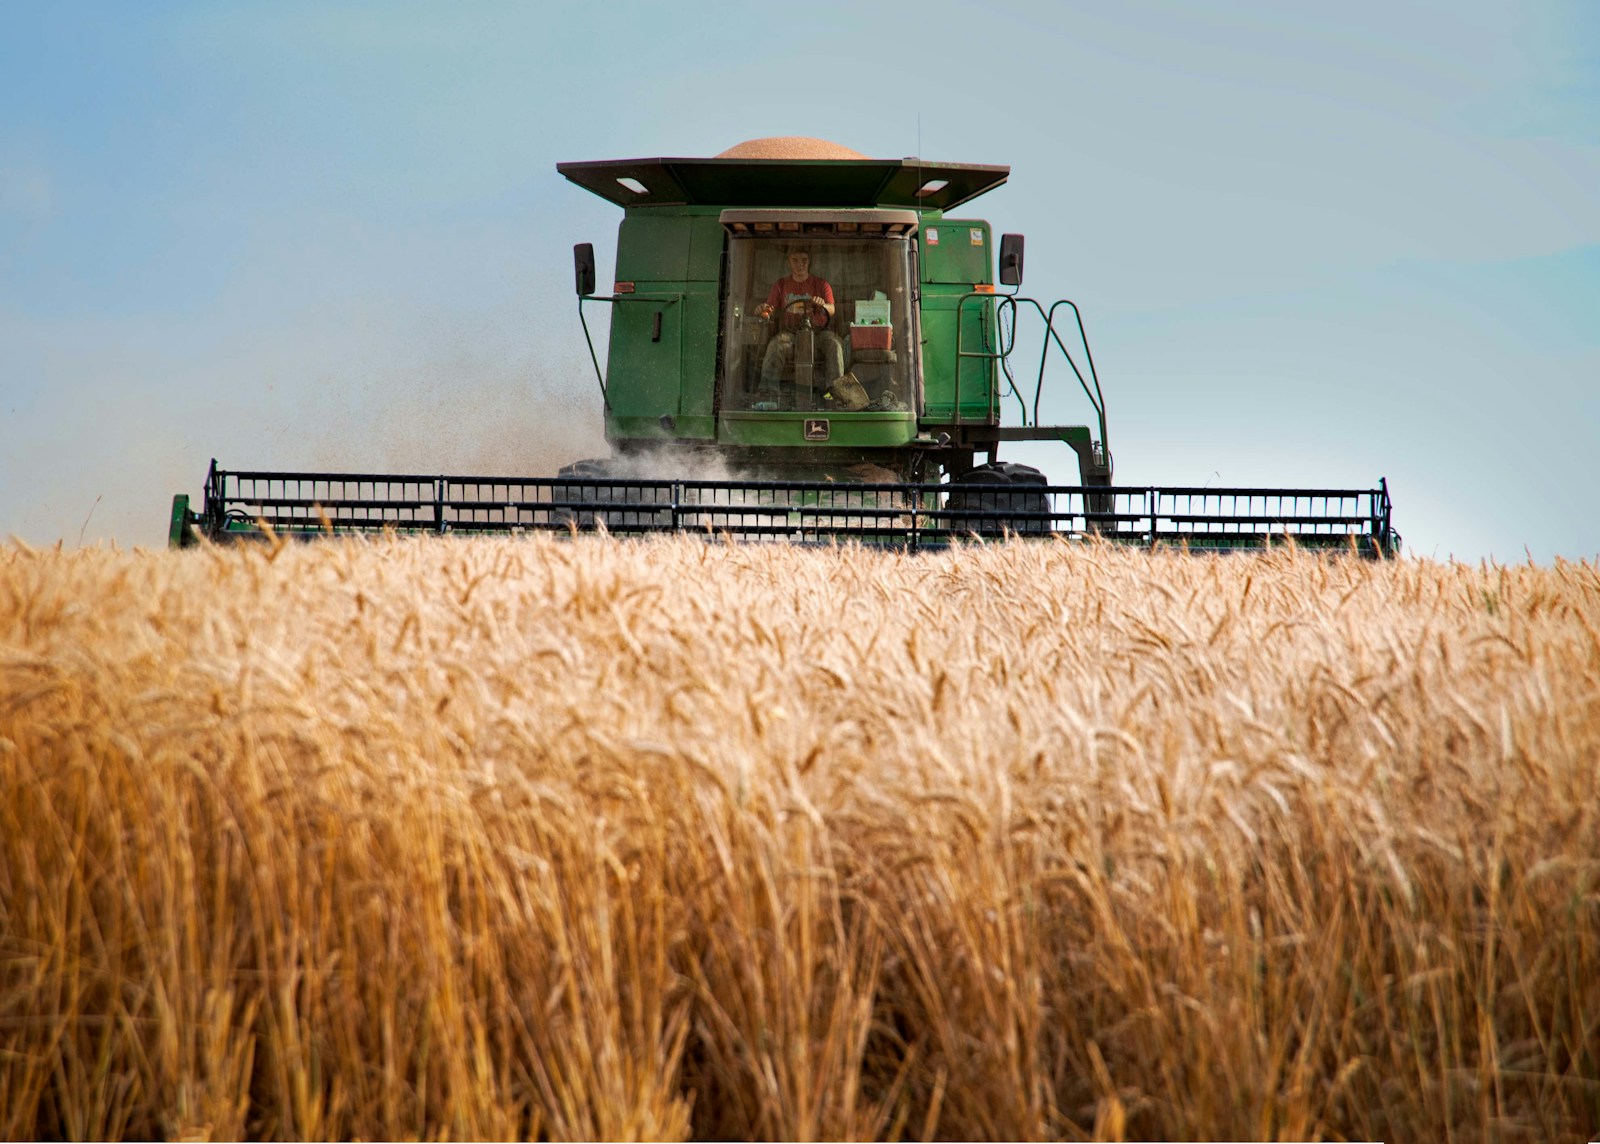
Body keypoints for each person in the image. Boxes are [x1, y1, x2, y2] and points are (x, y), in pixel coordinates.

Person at [754, 250, 846, 392]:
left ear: (810, 262)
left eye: (804, 259)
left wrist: (822, 305)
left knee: (835, 345)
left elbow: (832, 309)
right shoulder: (780, 285)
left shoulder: (821, 284)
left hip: (818, 334)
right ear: (788, 262)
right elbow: (769, 309)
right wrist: (763, 310)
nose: (800, 264)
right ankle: (768, 391)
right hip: (790, 335)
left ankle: (835, 393)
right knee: (775, 345)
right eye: (795, 260)